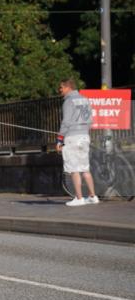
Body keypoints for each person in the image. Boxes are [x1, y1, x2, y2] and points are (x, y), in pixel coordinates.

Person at [57, 78, 97, 207]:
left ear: (68, 87)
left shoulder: (68, 101)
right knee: (85, 168)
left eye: (61, 88)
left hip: (72, 137)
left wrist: (60, 139)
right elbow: (90, 120)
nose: (60, 90)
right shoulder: (85, 99)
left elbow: (66, 121)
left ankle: (79, 198)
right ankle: (93, 196)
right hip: (84, 135)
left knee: (74, 169)